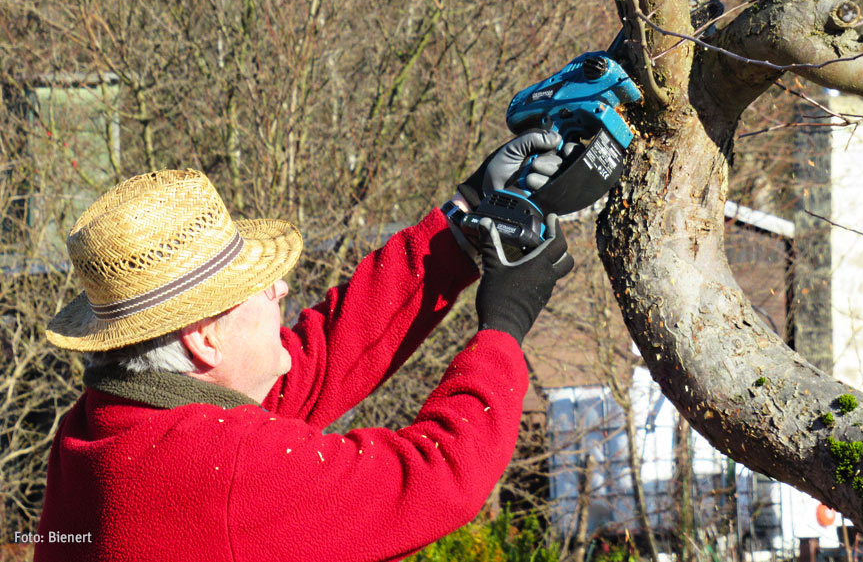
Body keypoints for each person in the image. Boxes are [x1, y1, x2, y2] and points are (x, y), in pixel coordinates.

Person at [35, 131, 574, 562]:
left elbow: (317, 364)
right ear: (204, 340)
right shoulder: (228, 472)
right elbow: (435, 476)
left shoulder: (101, 428)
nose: (281, 287)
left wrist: (462, 217)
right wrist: (505, 324)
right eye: (256, 285)